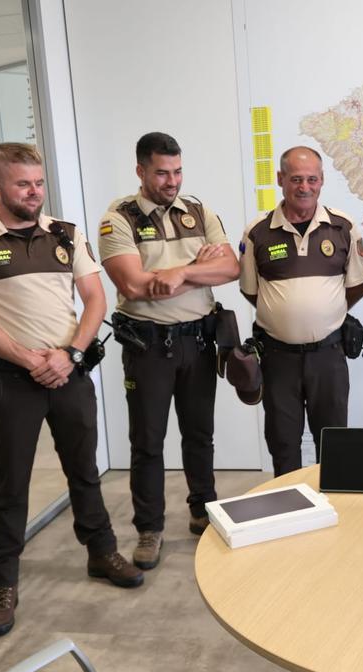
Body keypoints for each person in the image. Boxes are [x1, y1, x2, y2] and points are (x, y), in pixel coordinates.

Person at [0, 143, 143, 637]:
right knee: (12, 485)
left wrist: (71, 354)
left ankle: (101, 553)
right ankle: (3, 583)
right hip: (16, 381)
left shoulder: (66, 235)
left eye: (37, 183)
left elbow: (95, 299)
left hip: (69, 373)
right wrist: (30, 359)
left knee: (85, 471)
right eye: (21, 184)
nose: (33, 193)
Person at [97, 132, 240, 569]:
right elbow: (133, 284)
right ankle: (150, 528)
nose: (172, 180)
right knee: (148, 441)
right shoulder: (117, 219)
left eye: (177, 171)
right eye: (162, 172)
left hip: (198, 341)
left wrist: (177, 274)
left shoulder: (199, 211)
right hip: (149, 347)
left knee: (200, 434)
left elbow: (231, 267)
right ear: (141, 171)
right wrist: (199, 268)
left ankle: (203, 511)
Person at [239, 147, 363, 475]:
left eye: (312, 179)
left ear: (322, 180)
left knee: (334, 440)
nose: (304, 187)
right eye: (296, 179)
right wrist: (285, 316)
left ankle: (333, 507)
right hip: (277, 358)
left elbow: (358, 285)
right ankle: (290, 513)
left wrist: (326, 313)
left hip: (329, 355)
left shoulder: (343, 227)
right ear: (280, 180)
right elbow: (251, 290)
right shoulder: (258, 232)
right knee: (283, 442)